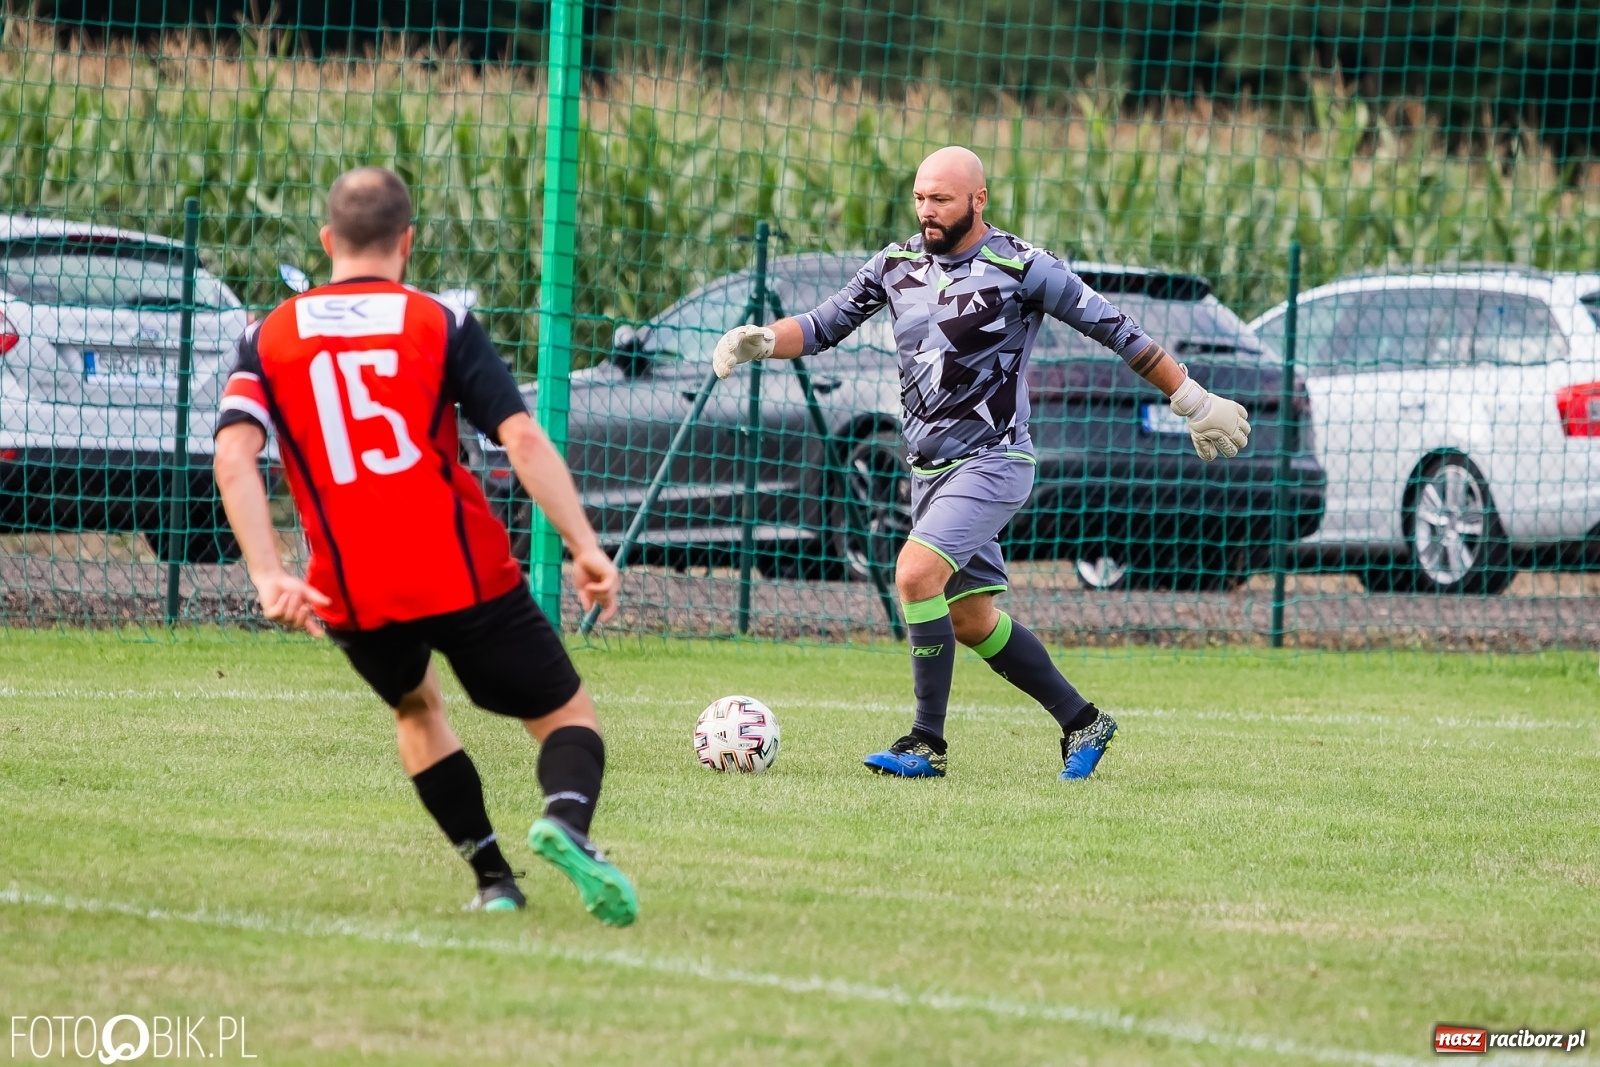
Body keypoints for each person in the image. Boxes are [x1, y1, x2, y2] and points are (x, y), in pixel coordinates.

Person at [711, 146, 1251, 781]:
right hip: (927, 470)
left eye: (941, 198)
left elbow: (1114, 327)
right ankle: (1083, 721)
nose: (927, 211)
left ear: (978, 199)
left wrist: (1189, 398)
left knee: (914, 576)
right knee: (969, 620)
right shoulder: (896, 263)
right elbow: (825, 324)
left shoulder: (1021, 266)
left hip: (993, 460)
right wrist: (767, 341)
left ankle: (925, 743)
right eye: (919, 197)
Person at [212, 166, 637, 924]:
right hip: (462, 569)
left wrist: (268, 573)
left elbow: (233, 456)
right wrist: (584, 545)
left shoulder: (267, 336)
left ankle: (494, 880)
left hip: (350, 588)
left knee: (416, 708)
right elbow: (522, 439)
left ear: (326, 240)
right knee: (566, 711)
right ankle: (566, 821)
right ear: (407, 241)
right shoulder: (438, 323)